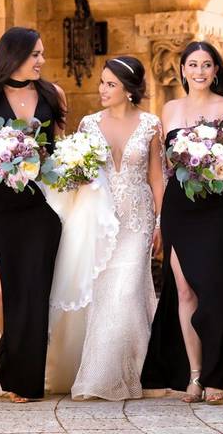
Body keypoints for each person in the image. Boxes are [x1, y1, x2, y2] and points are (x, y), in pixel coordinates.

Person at [46, 56, 164, 400]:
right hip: (100, 220)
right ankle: (129, 370)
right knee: (103, 294)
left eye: (110, 84)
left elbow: (157, 177)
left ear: (128, 90)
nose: (102, 89)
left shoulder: (150, 124)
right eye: (102, 82)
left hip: (138, 218)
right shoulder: (88, 124)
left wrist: (161, 221)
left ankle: (116, 375)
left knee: (125, 291)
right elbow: (77, 176)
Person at [141, 41, 223, 405]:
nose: (199, 72)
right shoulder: (168, 110)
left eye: (206, 65)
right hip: (178, 208)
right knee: (184, 290)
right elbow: (163, 168)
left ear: (216, 70)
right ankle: (196, 375)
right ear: (183, 70)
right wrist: (157, 219)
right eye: (193, 65)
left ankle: (218, 374)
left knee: (215, 290)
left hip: (217, 207)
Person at [0, 27, 66, 402]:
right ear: (15, 55)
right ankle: (13, 362)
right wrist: (3, 159)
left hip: (42, 202)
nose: (41, 61)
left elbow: (61, 147)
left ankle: (30, 374)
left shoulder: (52, 94)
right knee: (5, 287)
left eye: (42, 54)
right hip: (3, 202)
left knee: (36, 287)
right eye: (35, 54)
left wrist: (45, 162)